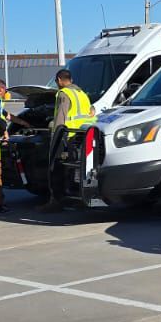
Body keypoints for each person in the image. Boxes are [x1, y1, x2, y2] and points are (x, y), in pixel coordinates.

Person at [38, 68, 94, 213]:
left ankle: (56, 201)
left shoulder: (63, 94)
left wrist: (55, 138)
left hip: (67, 137)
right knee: (76, 170)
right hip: (82, 136)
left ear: (59, 80)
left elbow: (60, 118)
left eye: (56, 82)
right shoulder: (82, 93)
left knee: (56, 169)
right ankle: (77, 198)